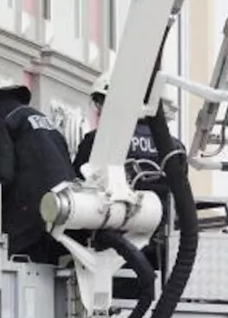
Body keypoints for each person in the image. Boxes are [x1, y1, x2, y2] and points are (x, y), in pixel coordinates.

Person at [0, 75, 79, 265]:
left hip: (26, 228)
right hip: (62, 218)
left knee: (16, 289)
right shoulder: (36, 117)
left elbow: (0, 177)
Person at [71, 70, 185, 274]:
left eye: (101, 104)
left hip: (111, 250)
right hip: (162, 248)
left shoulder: (97, 142)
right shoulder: (175, 147)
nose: (98, 112)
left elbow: (78, 191)